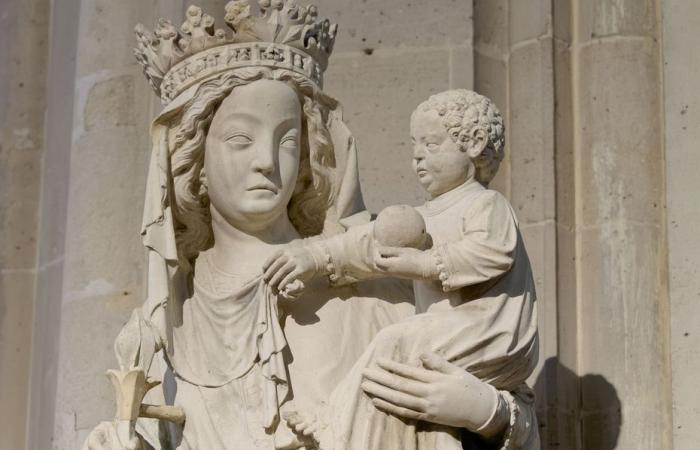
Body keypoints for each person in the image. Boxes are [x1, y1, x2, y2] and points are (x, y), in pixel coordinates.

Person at [83, 3, 539, 450]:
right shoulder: (164, 326)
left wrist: (487, 412)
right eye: (241, 140)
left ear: (306, 156)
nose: (265, 162)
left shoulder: (372, 286)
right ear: (194, 161)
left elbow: (507, 397)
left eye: (286, 141)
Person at [265, 90, 539, 449]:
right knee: (395, 369)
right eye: (414, 146)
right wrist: (316, 257)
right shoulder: (425, 216)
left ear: (472, 144)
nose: (418, 157)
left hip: (488, 331)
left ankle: (329, 424)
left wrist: (424, 263)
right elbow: (369, 244)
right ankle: (333, 425)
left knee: (394, 343)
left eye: (431, 144)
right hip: (447, 337)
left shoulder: (486, 204)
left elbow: (491, 253)